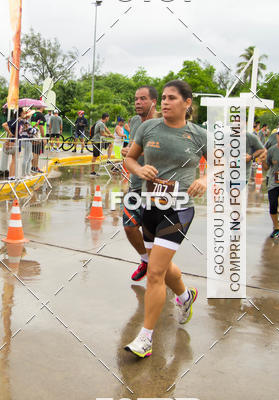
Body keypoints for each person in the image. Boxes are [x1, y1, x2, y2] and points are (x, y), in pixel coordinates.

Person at [123, 80, 206, 358]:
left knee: (155, 272)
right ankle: (185, 296)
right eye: (165, 98)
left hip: (179, 209)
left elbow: (222, 165)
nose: (166, 103)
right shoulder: (148, 128)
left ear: (187, 103)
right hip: (150, 206)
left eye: (172, 98)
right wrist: (139, 169)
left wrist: (205, 179)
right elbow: (130, 159)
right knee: (163, 264)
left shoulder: (199, 135)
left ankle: (145, 339)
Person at [121, 85, 158, 282]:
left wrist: (137, 152)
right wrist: (126, 151)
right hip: (135, 184)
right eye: (136, 99)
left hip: (157, 187)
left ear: (154, 102)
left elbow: (165, 152)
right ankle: (145, 260)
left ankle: (161, 271)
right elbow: (131, 146)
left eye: (143, 99)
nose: (138, 102)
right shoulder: (134, 121)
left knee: (154, 234)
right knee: (129, 226)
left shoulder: (162, 123)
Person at [2, 108, 27, 179]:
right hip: (14, 141)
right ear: (20, 113)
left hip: (19, 141)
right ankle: (11, 176)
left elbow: (21, 130)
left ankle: (13, 175)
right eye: (23, 112)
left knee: (16, 159)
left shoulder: (21, 121)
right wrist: (9, 133)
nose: (24, 114)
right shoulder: (14, 121)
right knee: (14, 159)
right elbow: (4, 125)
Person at [30, 105, 46, 172]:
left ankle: (33, 167)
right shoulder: (41, 115)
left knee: (34, 152)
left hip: (33, 135)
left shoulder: (33, 114)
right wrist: (43, 137)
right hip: (38, 136)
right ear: (41, 107)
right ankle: (35, 167)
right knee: (36, 153)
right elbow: (41, 126)